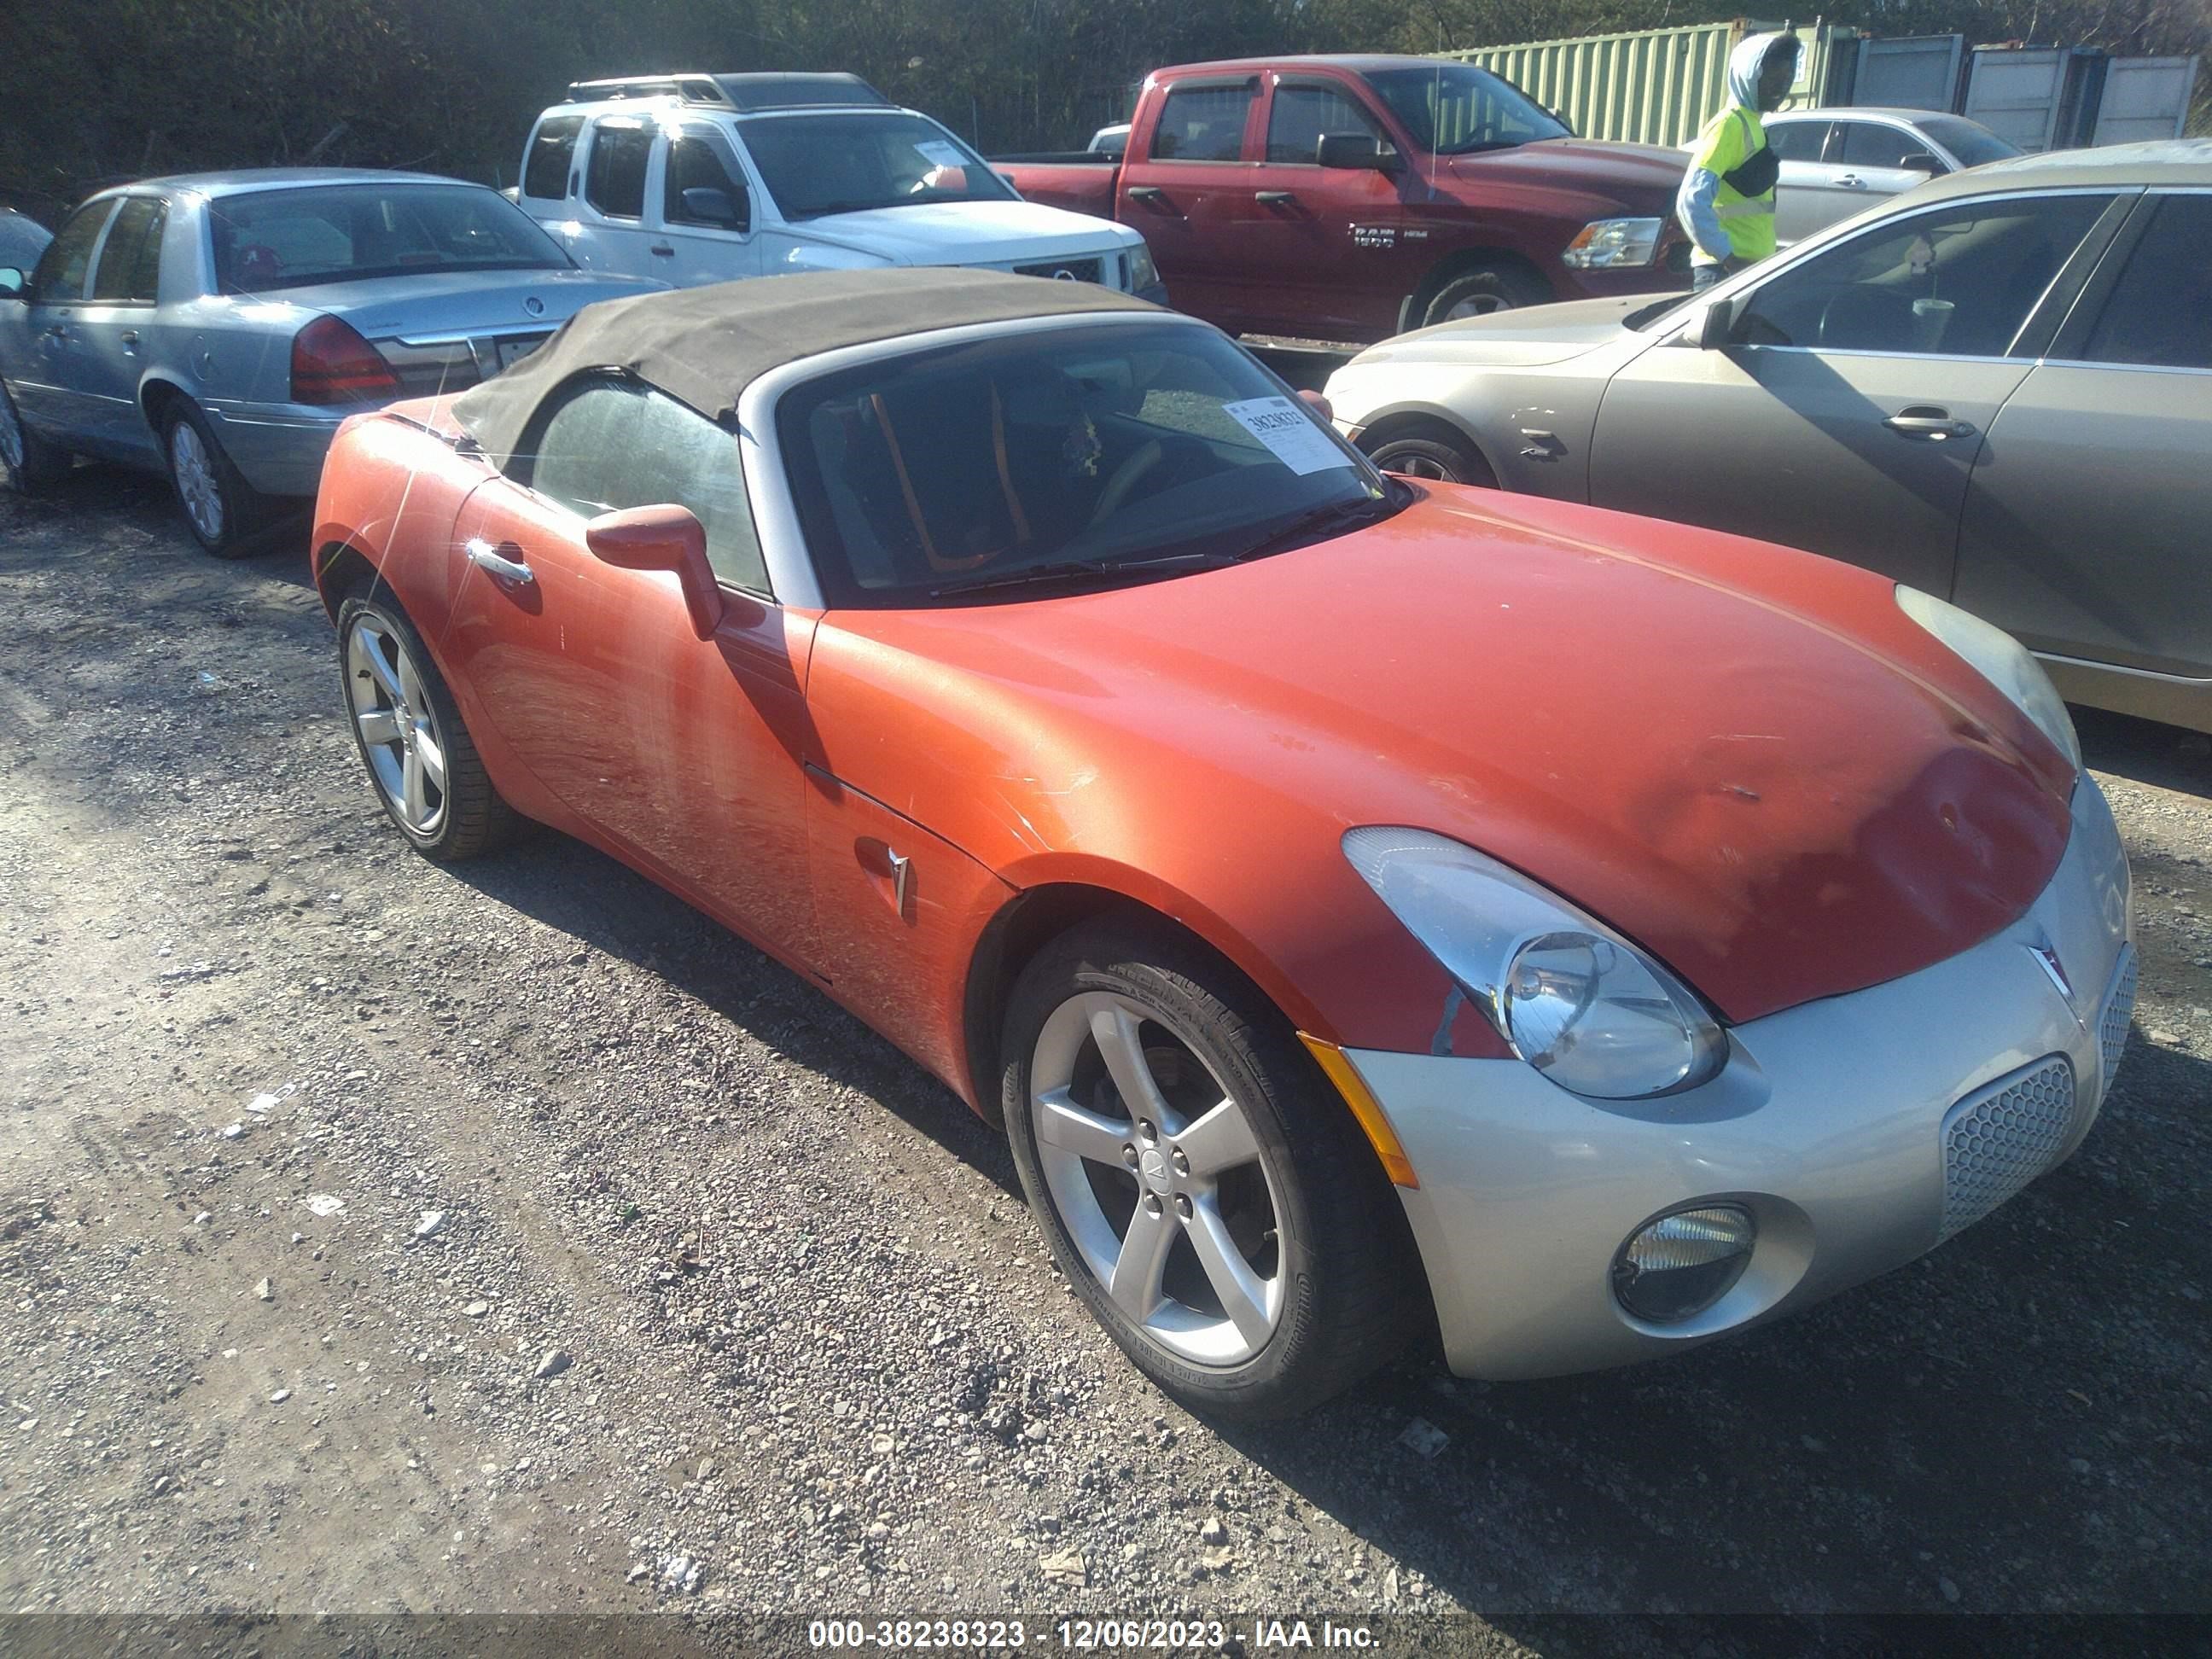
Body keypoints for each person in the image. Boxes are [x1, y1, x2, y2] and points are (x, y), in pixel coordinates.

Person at [1677, 32, 1802, 292]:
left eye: (1787, 79)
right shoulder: (1729, 125)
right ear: (1748, 74)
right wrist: (1728, 258)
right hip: (1722, 274)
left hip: (1749, 271)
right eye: (1772, 78)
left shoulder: (1753, 123)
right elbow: (1691, 201)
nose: (1780, 88)